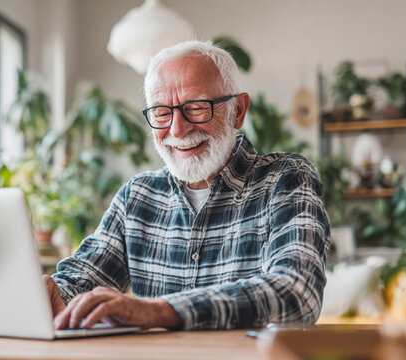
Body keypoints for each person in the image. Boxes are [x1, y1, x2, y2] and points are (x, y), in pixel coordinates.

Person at [44, 40, 330, 331]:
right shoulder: (137, 197)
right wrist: (49, 293)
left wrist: (162, 311)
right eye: (161, 112)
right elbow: (79, 282)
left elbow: (297, 293)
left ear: (238, 110)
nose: (177, 130)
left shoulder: (286, 178)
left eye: (196, 107)